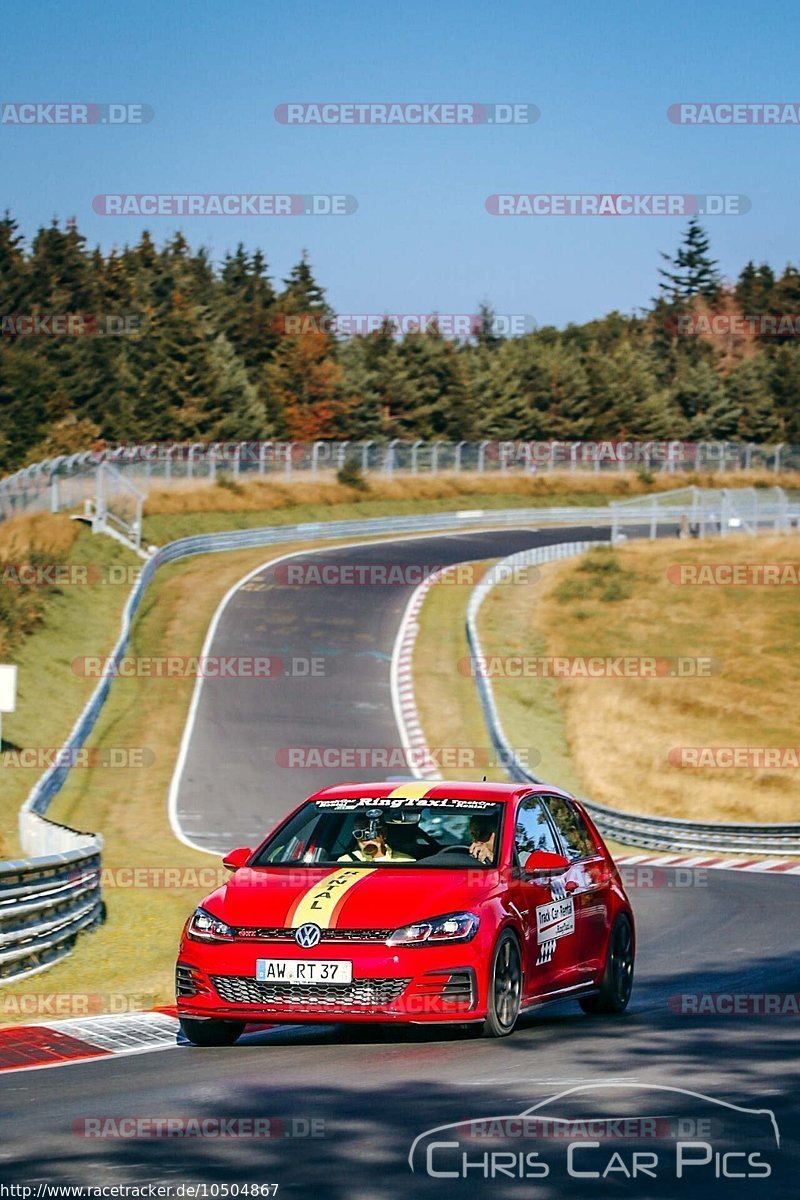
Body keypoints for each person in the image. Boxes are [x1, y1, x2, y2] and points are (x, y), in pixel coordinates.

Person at [338, 814, 415, 862]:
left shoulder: (405, 862)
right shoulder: (345, 862)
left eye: (371, 833)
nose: (365, 839)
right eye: (359, 834)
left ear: (384, 833)